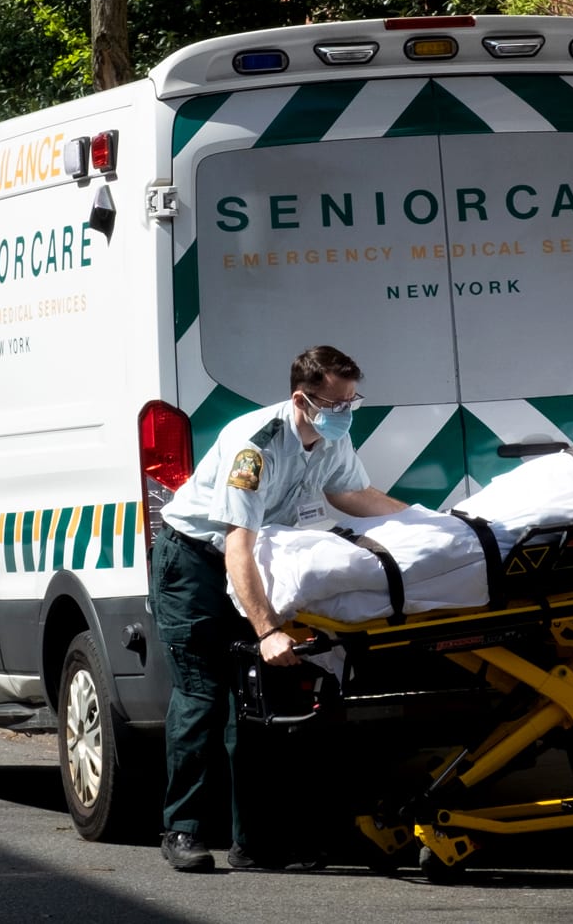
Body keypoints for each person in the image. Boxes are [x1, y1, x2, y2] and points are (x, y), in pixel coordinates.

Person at [151, 344, 406, 873]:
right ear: (301, 399)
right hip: (196, 561)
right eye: (337, 405)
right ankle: (183, 830)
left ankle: (255, 844)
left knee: (255, 704)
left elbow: (353, 493)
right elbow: (236, 543)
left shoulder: (331, 436)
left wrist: (432, 522)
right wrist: (267, 629)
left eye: (352, 403)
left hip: (252, 560)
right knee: (202, 696)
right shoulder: (256, 447)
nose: (346, 414)